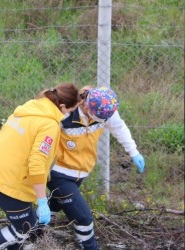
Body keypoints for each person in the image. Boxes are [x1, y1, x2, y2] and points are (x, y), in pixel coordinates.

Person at [0, 83, 80, 250]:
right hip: (7, 182)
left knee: (26, 224)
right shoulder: (49, 124)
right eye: (70, 111)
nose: (69, 115)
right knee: (24, 228)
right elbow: (37, 163)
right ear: (62, 106)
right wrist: (42, 201)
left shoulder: (32, 107)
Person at [47, 86, 146, 250]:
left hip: (81, 171)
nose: (102, 121)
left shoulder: (105, 110)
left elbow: (119, 128)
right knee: (83, 217)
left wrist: (134, 152)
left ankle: (31, 231)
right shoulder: (65, 114)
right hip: (58, 172)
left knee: (56, 204)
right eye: (98, 117)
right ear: (86, 106)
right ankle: (89, 246)